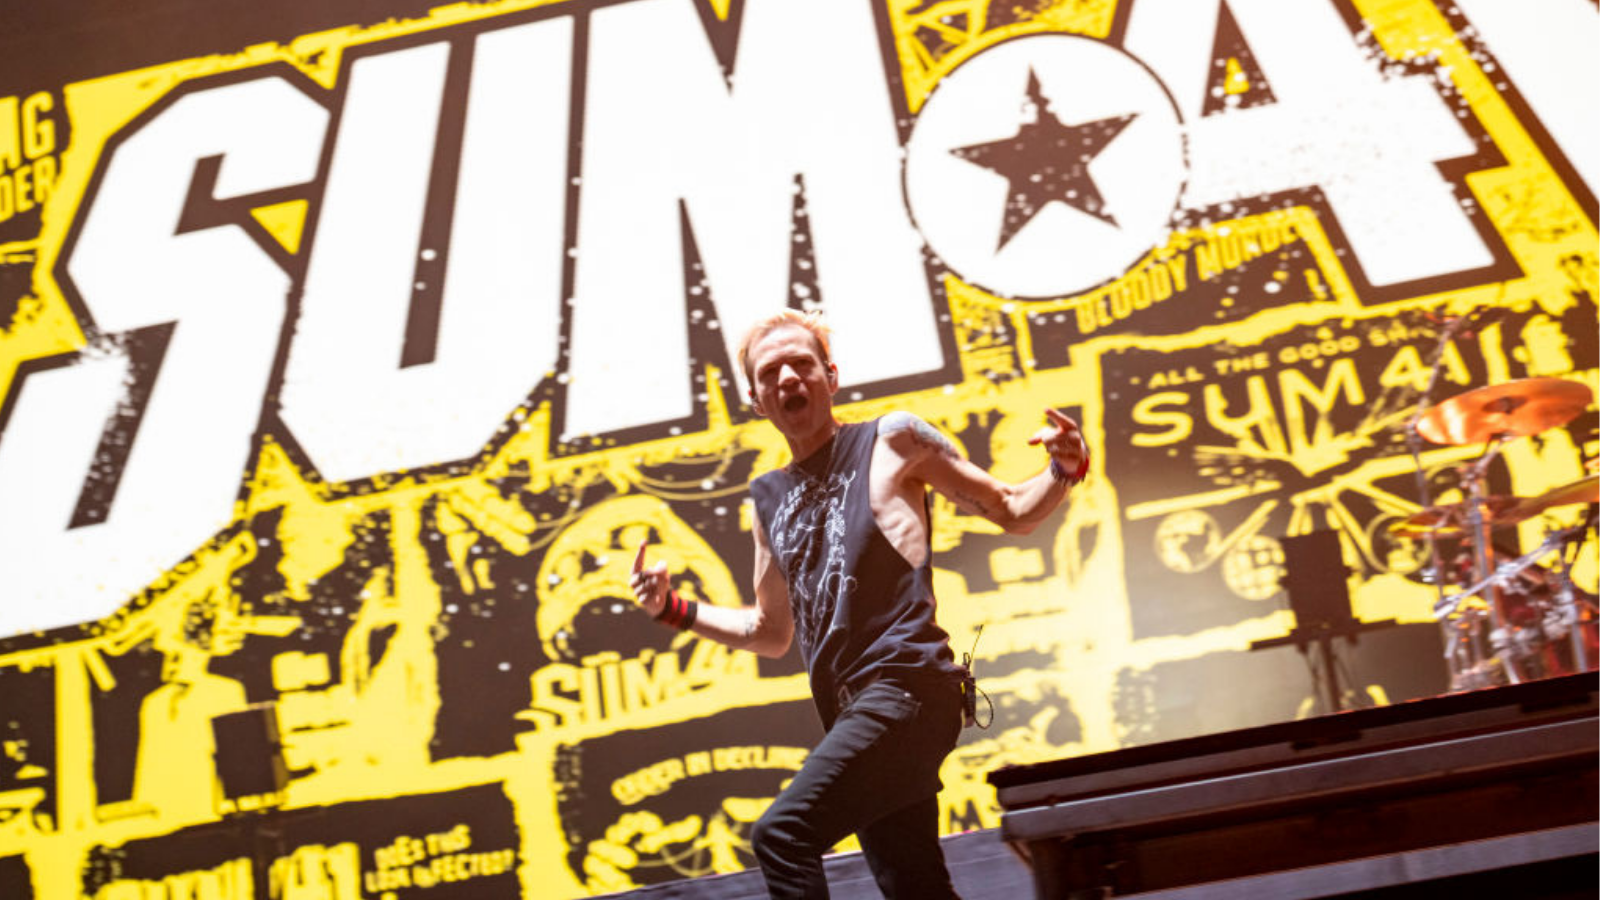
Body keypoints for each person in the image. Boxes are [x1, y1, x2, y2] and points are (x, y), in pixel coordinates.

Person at [629, 309, 1087, 899]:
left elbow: (1013, 510)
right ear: (756, 401)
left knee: (782, 834)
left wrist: (1064, 466)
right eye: (773, 372)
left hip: (909, 690)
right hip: (858, 713)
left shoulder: (891, 439)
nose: (790, 377)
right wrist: (674, 609)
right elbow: (771, 632)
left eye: (802, 364)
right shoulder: (767, 499)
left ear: (831, 376)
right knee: (914, 888)